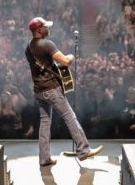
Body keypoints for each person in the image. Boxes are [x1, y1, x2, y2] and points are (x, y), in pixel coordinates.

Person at [24, 17, 102, 167]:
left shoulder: (28, 47)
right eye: (46, 27)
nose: (49, 29)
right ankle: (83, 150)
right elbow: (65, 61)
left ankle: (44, 158)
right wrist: (72, 55)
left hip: (39, 90)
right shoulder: (47, 44)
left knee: (45, 122)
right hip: (51, 89)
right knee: (70, 117)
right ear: (39, 30)